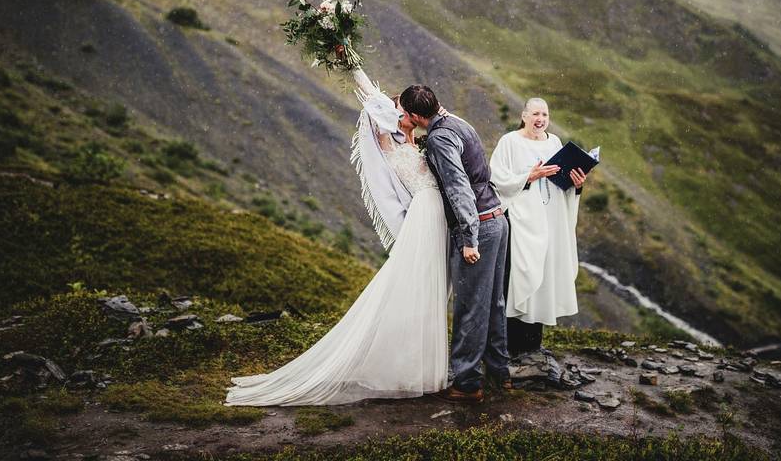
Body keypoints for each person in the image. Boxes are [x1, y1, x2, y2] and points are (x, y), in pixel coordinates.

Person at [224, 68, 450, 406]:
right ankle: (403, 367)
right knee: (411, 286)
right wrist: (347, 58)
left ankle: (416, 367)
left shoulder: (414, 135)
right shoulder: (388, 138)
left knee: (425, 289)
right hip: (424, 216)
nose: (402, 115)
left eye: (405, 111)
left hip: (433, 216)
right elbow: (374, 99)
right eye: (400, 111)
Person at [401, 84, 511, 404]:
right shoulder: (459, 123)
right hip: (497, 218)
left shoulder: (439, 138)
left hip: (480, 227)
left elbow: (459, 188)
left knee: (470, 307)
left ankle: (467, 382)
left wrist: (468, 238)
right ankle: (500, 371)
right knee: (493, 302)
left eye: (406, 114)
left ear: (416, 116)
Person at [489, 97, 587, 356]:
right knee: (518, 277)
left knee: (543, 278)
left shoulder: (554, 142)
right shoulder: (509, 142)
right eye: (535, 113)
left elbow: (561, 182)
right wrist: (529, 177)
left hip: (550, 221)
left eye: (544, 114)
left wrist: (577, 184)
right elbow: (496, 179)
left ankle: (532, 344)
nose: (540, 119)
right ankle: (508, 347)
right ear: (524, 115)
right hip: (521, 223)